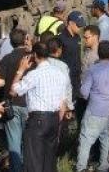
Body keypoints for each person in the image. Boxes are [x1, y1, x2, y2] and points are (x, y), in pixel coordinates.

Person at [11, 42, 70, 172]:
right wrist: (58, 122)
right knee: (49, 161)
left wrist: (21, 70)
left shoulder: (34, 74)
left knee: (34, 161)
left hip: (37, 120)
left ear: (35, 55)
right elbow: (63, 103)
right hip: (54, 118)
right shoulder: (60, 74)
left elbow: (14, 91)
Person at [77, 41, 109, 172]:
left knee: (85, 141)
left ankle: (81, 168)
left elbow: (84, 93)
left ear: (98, 53)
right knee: (105, 140)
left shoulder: (93, 70)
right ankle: (103, 167)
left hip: (94, 110)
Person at [0, 29, 31, 172]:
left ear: (10, 42)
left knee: (13, 143)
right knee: (28, 142)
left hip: (11, 105)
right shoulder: (32, 58)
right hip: (29, 105)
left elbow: (1, 83)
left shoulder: (6, 59)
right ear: (25, 40)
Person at [59, 11, 87, 94]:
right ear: (70, 23)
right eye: (78, 25)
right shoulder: (60, 38)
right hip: (66, 78)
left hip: (77, 77)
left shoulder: (77, 37)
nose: (80, 27)